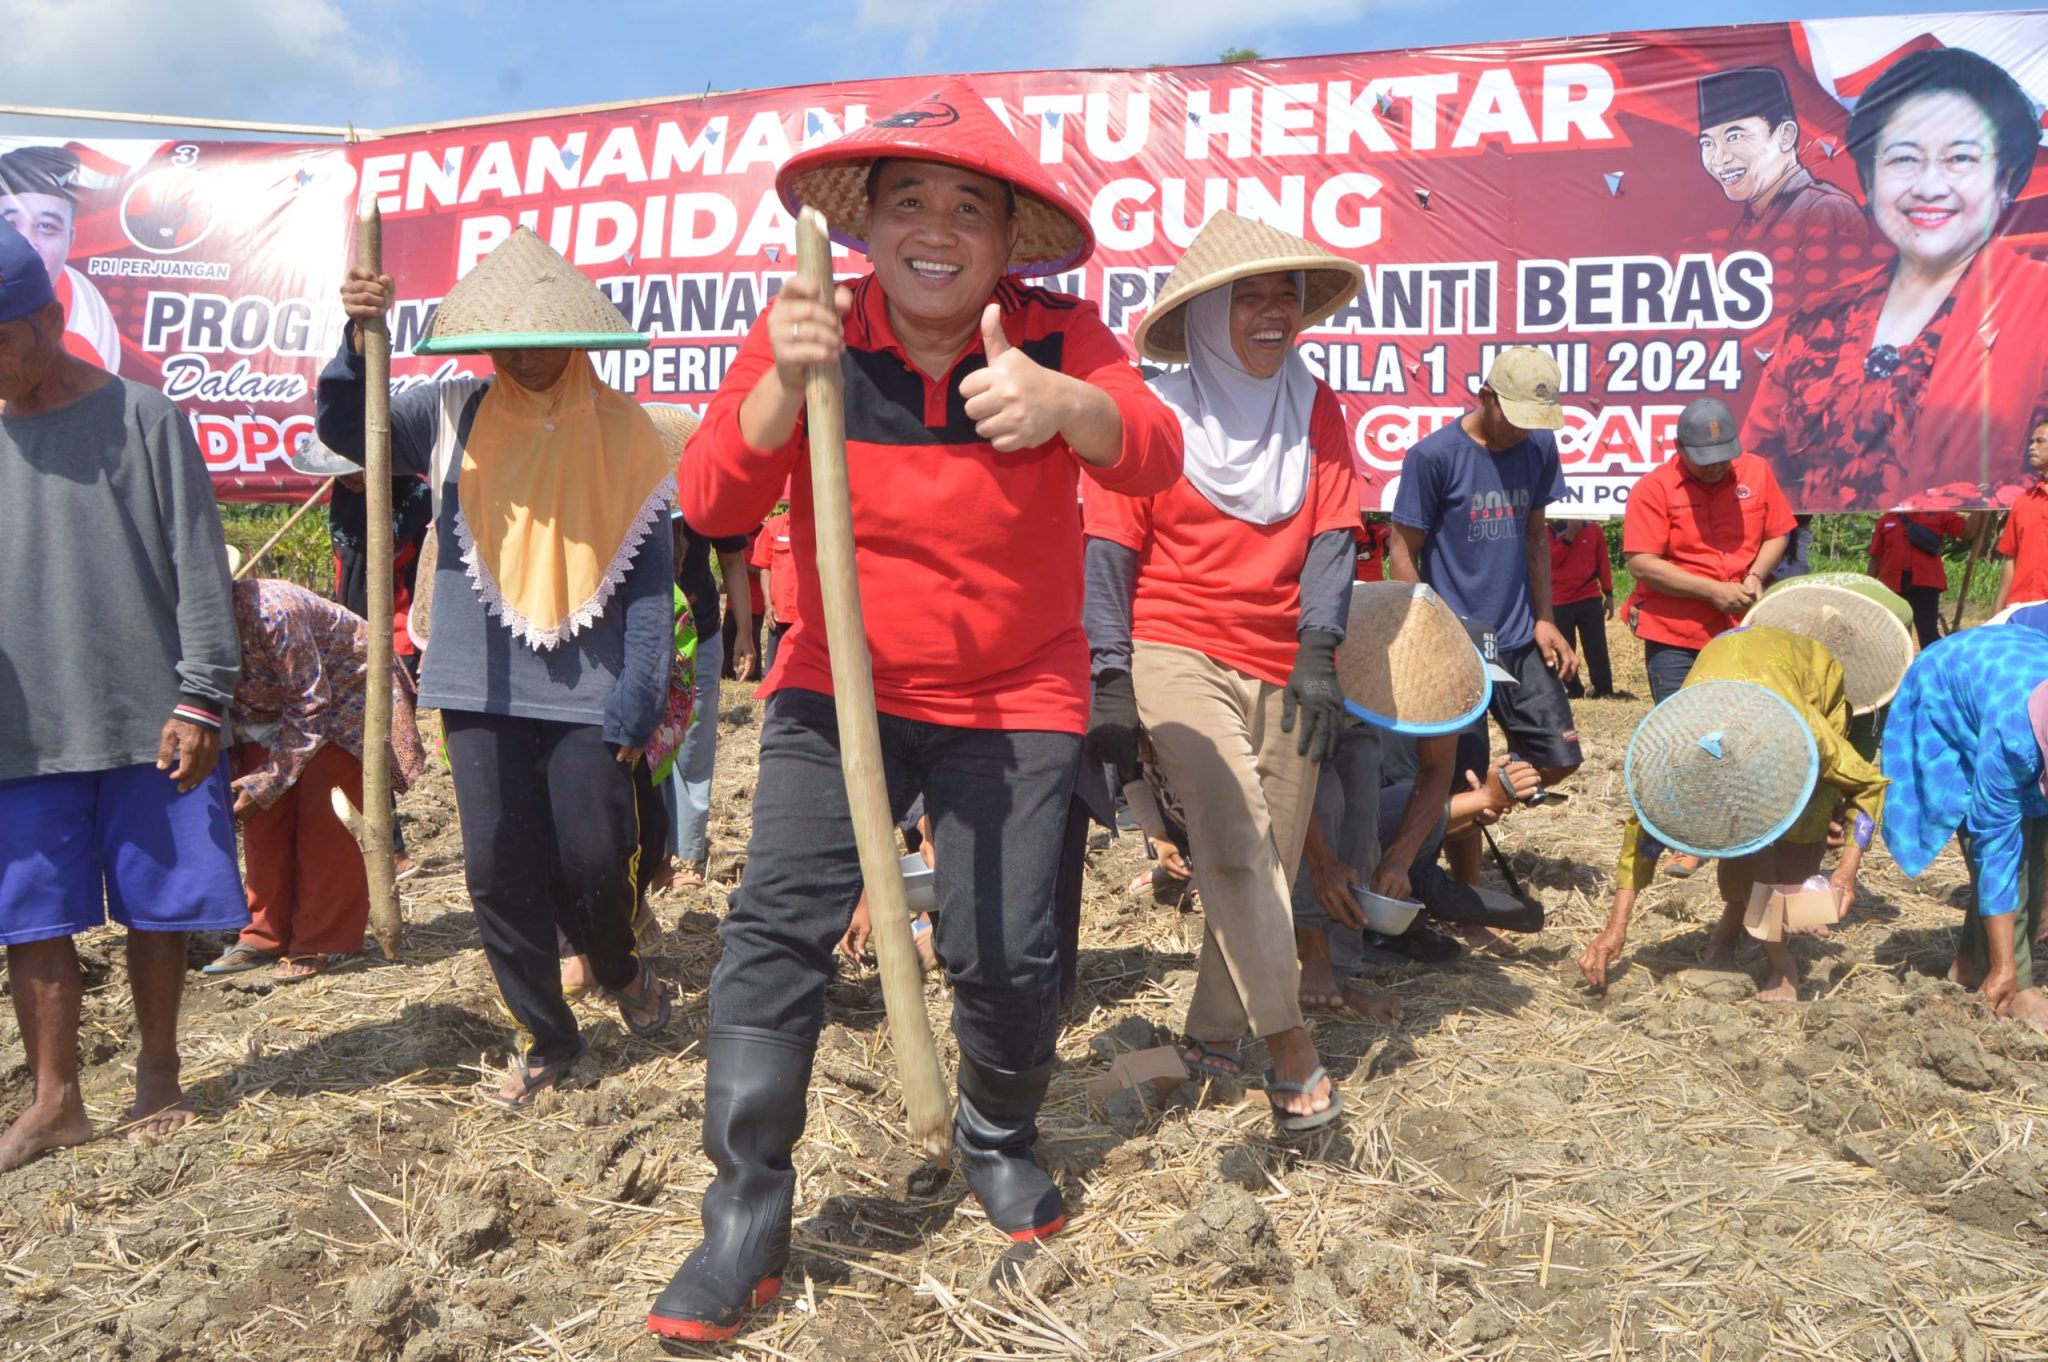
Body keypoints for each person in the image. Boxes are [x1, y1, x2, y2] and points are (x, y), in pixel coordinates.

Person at [648, 81, 1180, 1344]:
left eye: (966, 208)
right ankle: (744, 1226)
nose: (935, 227)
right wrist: (783, 385)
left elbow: (1150, 451)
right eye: (908, 203)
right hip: (838, 690)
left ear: (1005, 243)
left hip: (1019, 694)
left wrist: (1065, 410)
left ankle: (998, 1134)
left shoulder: (1058, 337)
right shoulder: (809, 325)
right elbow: (713, 498)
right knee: (773, 934)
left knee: (1002, 947)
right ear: (868, 225)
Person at [316, 226, 676, 1109]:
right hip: (479, 686)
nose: (528, 354)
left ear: (578, 337)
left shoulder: (629, 434)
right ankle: (547, 1035)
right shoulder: (446, 415)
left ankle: (620, 963)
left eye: (545, 338)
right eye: (510, 339)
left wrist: (638, 692)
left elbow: (651, 583)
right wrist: (357, 339)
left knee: (595, 854)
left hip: (592, 691)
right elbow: (342, 429)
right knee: (496, 867)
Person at [1087, 211, 1387, 1133]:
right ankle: (1291, 1052)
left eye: (1284, 295)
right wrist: (1107, 673)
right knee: (1231, 830)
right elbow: (1106, 546)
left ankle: (1209, 1046)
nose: (1272, 313)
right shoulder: (1153, 413)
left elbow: (1337, 534)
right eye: (1247, 296)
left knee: (1259, 860)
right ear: (1207, 315)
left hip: (1284, 660)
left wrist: (1318, 653)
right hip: (1172, 642)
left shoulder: (1318, 405)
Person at [0, 221, 244, 1172]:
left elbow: (196, 565)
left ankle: (159, 1070)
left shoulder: (145, 419)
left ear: (50, 319)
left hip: (148, 712)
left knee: (160, 903)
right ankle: (56, 1099)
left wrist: (202, 698)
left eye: (2, 341)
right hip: (22, 727)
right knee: (31, 913)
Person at [1741, 48, 2048, 509]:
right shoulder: (1816, 322)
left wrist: (1945, 509)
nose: (1928, 186)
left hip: (1960, 562)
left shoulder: (2038, 303)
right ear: (1868, 178)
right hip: (1816, 565)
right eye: (1904, 159)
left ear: (2006, 178)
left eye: (1960, 159)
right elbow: (1755, 473)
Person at [1578, 626, 1885, 1002]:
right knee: (1743, 843)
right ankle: (1752, 935)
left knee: (1798, 842)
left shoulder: (1811, 737)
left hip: (1808, 680)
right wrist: (1615, 928)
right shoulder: (1673, 758)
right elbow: (1640, 841)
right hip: (1724, 669)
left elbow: (1869, 784)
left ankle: (1774, 948)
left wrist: (1846, 871)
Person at [202, 574, 427, 982]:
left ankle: (318, 937)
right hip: (264, 712)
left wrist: (271, 779)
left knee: (324, 817)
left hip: (345, 696)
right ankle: (263, 935)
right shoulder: (184, 627)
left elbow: (310, 704)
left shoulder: (273, 612)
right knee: (262, 819)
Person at [1390, 347, 1582, 789]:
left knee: (1562, 757)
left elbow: (1536, 536)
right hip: (1458, 641)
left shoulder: (1538, 444)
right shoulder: (1433, 456)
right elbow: (1402, 551)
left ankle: (1497, 787)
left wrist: (1545, 618)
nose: (1522, 430)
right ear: (1485, 396)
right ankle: (1472, 815)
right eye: (1513, 416)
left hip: (1518, 636)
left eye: (1533, 420)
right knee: (1460, 780)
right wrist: (1429, 634)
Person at [1881, 624, 2048, 1032]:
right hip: (1948, 684)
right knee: (2005, 852)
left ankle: (1970, 964)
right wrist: (2008, 966)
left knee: (2037, 840)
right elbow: (1997, 853)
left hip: (2015, 665)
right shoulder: (2014, 741)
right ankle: (2014, 982)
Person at [1623, 396, 1796, 707]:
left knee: (1746, 720)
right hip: (1677, 636)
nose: (1716, 466)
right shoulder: (1653, 489)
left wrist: (1756, 574)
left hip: (1747, 626)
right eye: (1705, 459)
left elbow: (1777, 532)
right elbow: (1642, 564)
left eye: (1724, 457)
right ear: (1679, 446)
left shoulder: (1757, 472)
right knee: (1681, 724)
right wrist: (1712, 591)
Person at [662, 503, 754, 889]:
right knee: (641, 739)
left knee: (692, 742)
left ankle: (685, 853)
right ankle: (647, 849)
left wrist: (745, 635)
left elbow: (732, 563)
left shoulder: (707, 491)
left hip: (700, 632)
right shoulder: (623, 476)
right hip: (634, 632)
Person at [1694, 67, 1866, 259]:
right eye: (1707, 143)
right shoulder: (1751, 222)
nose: (1719, 158)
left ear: (1786, 135)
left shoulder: (1824, 209)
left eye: (1734, 136)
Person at [0, 145, 120, 373]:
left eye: (46, 226)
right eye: (10, 224)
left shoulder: (81, 356)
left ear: (70, 240)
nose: (28, 243)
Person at [1869, 508, 1976, 646]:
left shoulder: (1938, 512)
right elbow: (1876, 556)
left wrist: (1982, 510)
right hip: (1893, 585)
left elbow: (1966, 532)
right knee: (1894, 633)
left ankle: (1932, 665)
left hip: (1926, 583)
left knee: (1928, 633)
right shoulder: (1887, 519)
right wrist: (1869, 586)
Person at [1549, 518, 1614, 699]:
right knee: (1565, 648)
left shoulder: (1594, 530)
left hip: (1589, 597)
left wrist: (1609, 594)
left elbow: (1603, 563)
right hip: (1560, 600)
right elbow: (1551, 561)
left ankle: (1604, 689)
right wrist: (1569, 536)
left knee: (1597, 647)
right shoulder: (1550, 532)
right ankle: (1573, 689)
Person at [1991, 422, 2048, 614]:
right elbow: (2010, 558)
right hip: (2022, 610)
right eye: (2031, 442)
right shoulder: (2023, 501)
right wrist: (1999, 608)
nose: (2032, 447)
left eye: (2040, 441)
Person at [752, 506, 797, 675]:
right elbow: (764, 566)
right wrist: (767, 603)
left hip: (811, 617)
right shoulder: (774, 526)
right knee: (775, 672)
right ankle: (773, 702)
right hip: (780, 613)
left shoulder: (822, 526)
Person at [721, 530, 762, 681]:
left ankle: (753, 676)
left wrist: (744, 568)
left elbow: (764, 568)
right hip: (733, 603)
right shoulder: (740, 534)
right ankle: (726, 673)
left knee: (752, 639)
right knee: (727, 637)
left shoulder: (763, 536)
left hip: (755, 603)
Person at [1354, 513, 1391, 582]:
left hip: (1372, 583)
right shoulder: (1342, 530)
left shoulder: (1376, 528)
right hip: (1347, 584)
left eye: (1363, 514)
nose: (1361, 517)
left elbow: (1389, 541)